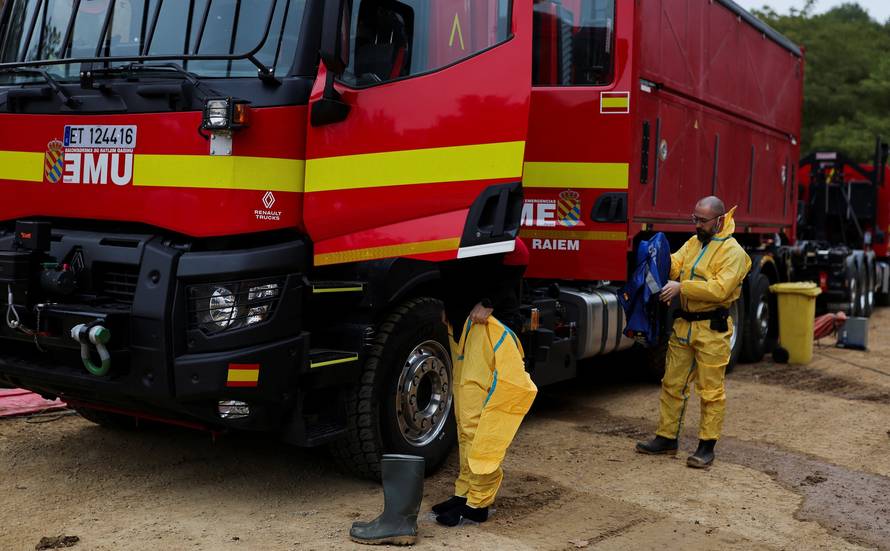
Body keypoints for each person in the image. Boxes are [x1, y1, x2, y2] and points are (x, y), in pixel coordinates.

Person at [636, 196, 751, 468]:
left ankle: (706, 446)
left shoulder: (733, 253)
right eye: (694, 219)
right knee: (672, 384)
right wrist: (657, 257)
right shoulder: (693, 242)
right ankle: (666, 438)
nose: (697, 224)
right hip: (684, 326)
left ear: (719, 220)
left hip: (712, 329)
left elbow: (720, 289)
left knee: (710, 391)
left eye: (702, 220)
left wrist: (681, 288)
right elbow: (675, 264)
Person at [433, 237, 537, 526]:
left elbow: (520, 252)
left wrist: (491, 301)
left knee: (477, 420)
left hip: (487, 327)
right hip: (463, 326)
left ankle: (478, 503)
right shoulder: (452, 225)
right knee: (464, 419)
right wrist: (449, 306)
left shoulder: (483, 224)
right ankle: (464, 493)